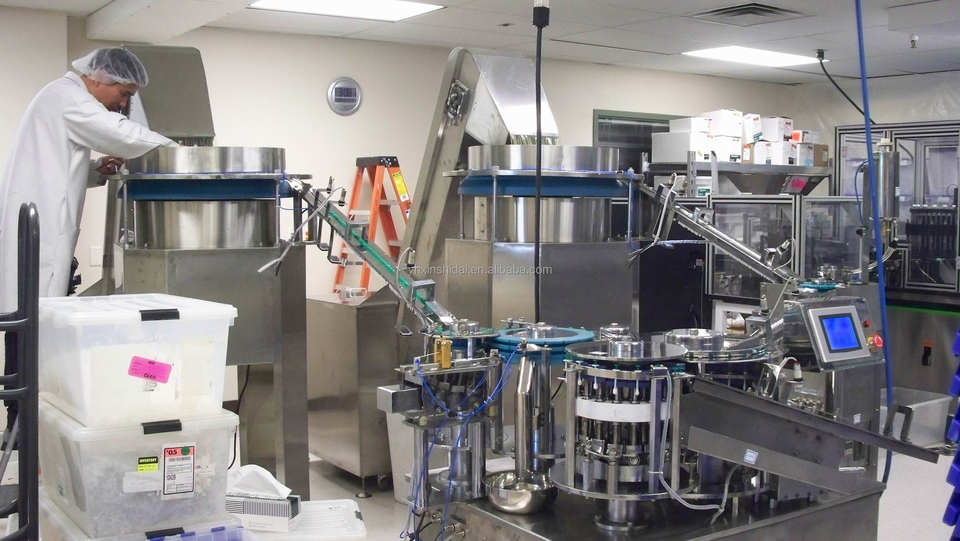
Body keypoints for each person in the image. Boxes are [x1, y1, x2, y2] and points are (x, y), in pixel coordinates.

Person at [0, 47, 175, 431]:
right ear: (98, 78)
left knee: (29, 337)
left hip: (43, 237)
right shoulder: (67, 99)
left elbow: (63, 167)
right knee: (27, 341)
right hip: (38, 242)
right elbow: (119, 133)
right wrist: (176, 152)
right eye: (124, 93)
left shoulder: (63, 99)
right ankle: (22, 432)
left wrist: (97, 169)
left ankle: (25, 430)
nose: (124, 104)